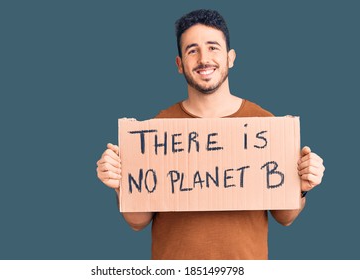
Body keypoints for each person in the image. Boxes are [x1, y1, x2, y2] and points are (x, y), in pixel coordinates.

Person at [96, 9, 325, 259]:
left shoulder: (265, 126)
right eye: (192, 50)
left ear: (231, 58)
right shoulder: (156, 130)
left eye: (213, 47)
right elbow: (137, 222)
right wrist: (120, 184)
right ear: (179, 64)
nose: (204, 59)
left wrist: (301, 187)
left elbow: (285, 218)